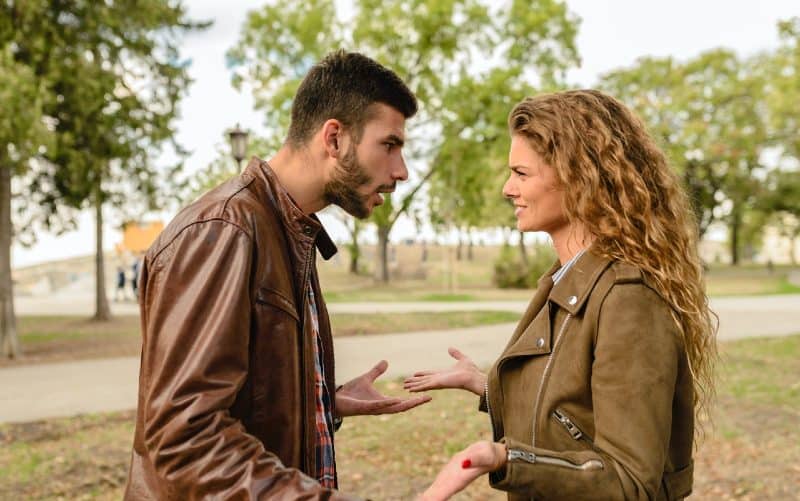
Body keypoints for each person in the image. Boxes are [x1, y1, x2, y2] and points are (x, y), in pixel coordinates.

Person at [124, 50, 431, 499]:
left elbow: (244, 402)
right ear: (334, 138)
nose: (401, 171)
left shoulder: (289, 231)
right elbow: (184, 439)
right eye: (390, 145)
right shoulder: (225, 230)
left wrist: (323, 403)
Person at [406, 90, 718, 500]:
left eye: (521, 173)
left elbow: (629, 482)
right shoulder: (567, 279)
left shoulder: (628, 298)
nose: (506, 188)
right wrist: (487, 387)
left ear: (579, 177)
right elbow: (572, 413)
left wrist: (504, 459)